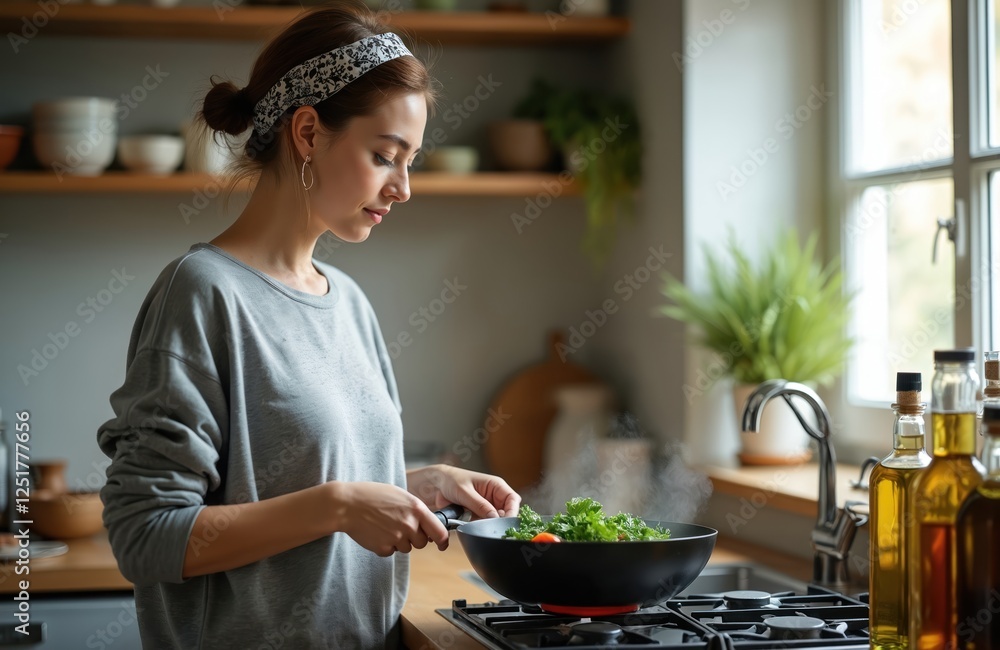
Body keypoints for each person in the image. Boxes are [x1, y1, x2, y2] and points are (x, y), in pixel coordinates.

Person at [96, 4, 520, 648]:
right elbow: (146, 536)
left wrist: (416, 487)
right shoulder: (202, 294)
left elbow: (289, 485)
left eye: (411, 161)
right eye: (385, 155)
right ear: (307, 133)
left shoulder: (348, 300)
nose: (404, 187)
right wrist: (344, 505)